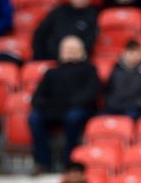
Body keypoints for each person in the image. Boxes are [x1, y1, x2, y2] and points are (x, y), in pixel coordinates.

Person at [28, 37, 101, 174]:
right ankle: (43, 163)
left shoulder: (89, 69)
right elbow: (37, 97)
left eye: (74, 50)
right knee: (35, 118)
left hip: (78, 109)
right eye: (67, 49)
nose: (70, 53)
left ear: (82, 52)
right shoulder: (51, 72)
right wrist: (48, 105)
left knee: (73, 117)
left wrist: (71, 103)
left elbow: (92, 93)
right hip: (54, 110)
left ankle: (69, 163)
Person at [32, 0, 98, 61]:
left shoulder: (93, 15)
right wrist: (41, 58)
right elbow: (40, 35)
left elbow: (90, 41)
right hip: (50, 58)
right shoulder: (57, 12)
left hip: (77, 61)